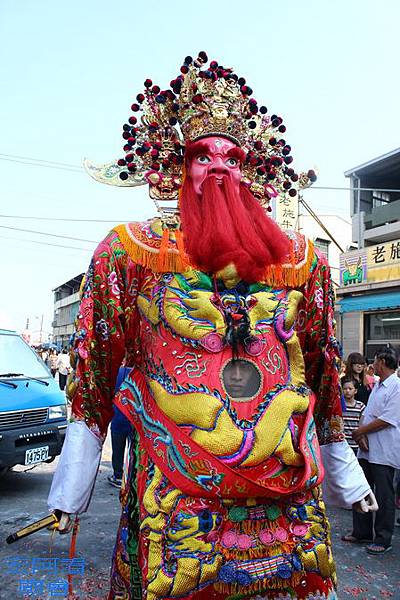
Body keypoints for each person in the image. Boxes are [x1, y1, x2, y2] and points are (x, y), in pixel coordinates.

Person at [48, 52, 376, 600]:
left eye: (231, 156)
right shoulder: (129, 254)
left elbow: (321, 375)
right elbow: (93, 372)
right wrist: (72, 484)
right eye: (203, 154)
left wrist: (346, 473)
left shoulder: (302, 262)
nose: (219, 166)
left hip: (285, 494)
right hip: (177, 496)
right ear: (179, 166)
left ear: (249, 168)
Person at [345, 347, 400, 555]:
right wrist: (361, 435)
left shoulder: (396, 386)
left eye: (375, 361)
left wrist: (360, 431)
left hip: (384, 451)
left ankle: (383, 538)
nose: (372, 365)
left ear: (383, 362)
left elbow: (387, 419)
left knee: (384, 495)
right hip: (367, 447)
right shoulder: (378, 385)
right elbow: (368, 413)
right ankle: (362, 531)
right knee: (361, 489)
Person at [342, 379, 364, 454]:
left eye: (350, 389)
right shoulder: (339, 405)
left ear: (355, 391)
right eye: (345, 389)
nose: (347, 391)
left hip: (356, 445)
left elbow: (362, 425)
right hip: (343, 444)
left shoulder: (361, 406)